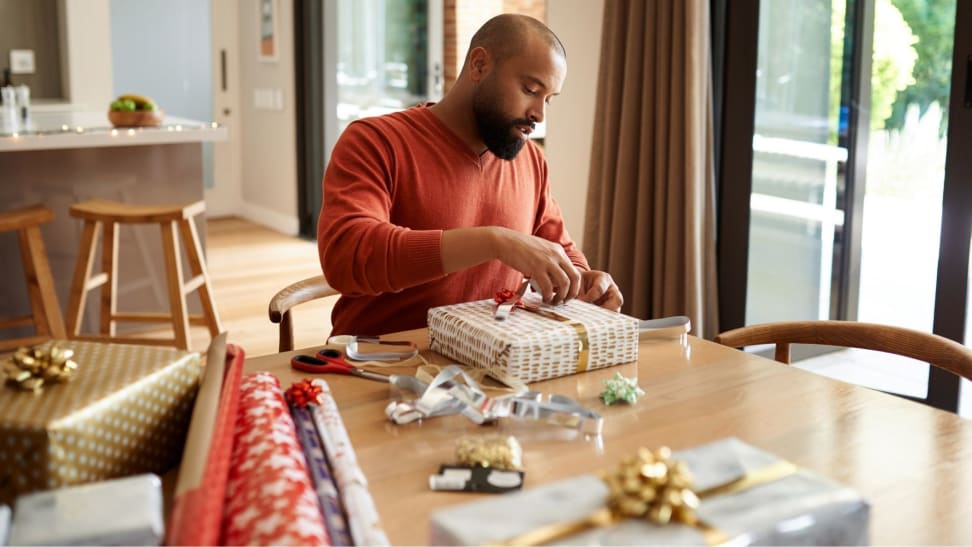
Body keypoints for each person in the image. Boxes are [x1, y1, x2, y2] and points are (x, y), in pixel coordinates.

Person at [318, 13, 623, 336]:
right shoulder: (375, 141)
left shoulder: (531, 159)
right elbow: (346, 258)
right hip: (374, 363)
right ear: (479, 65)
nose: (539, 114)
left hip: (489, 367)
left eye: (548, 99)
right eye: (530, 89)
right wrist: (494, 241)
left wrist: (581, 279)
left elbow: (559, 248)